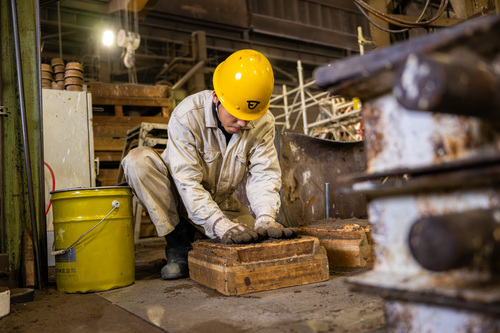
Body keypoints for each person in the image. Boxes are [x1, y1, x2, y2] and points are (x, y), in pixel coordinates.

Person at [122, 49, 298, 280]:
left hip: (222, 202)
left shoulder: (262, 122)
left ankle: (199, 236)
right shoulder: (187, 116)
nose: (243, 123)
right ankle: (178, 245)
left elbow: (264, 174)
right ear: (216, 97)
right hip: (177, 197)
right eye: (235, 114)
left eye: (249, 116)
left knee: (256, 238)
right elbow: (187, 183)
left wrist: (265, 215)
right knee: (138, 161)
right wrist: (219, 225)